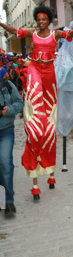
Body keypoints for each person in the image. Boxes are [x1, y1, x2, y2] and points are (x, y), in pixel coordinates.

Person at [0, 7, 73, 200]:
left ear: (48, 20)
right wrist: (0, 23)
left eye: (44, 19)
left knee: (49, 125)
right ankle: (33, 121)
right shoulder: (32, 33)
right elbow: (15, 31)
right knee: (35, 120)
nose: (41, 21)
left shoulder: (55, 33)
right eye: (38, 19)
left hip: (49, 72)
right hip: (34, 68)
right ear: (36, 20)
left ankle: (50, 171)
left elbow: (70, 34)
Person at [0, 67, 24, 215]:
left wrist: (7, 110)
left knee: (5, 163)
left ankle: (9, 201)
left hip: (6, 130)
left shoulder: (7, 85)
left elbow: (19, 103)